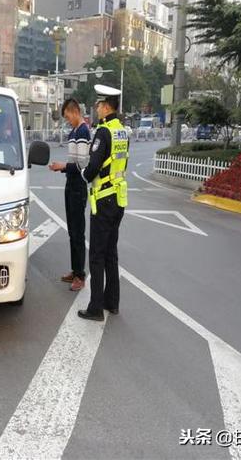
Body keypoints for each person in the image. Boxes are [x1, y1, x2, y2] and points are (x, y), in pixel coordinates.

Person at [77, 85, 129, 322]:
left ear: (106, 106)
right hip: (118, 198)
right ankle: (112, 302)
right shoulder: (122, 132)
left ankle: (96, 307)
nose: (96, 108)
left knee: (97, 254)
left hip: (103, 198)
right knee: (111, 253)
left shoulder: (104, 132)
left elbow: (94, 166)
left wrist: (83, 174)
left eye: (98, 105)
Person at [48, 98, 91, 292]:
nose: (67, 120)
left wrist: (63, 166)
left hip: (78, 187)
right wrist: (63, 168)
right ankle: (75, 270)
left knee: (78, 233)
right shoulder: (74, 132)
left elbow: (83, 164)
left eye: (67, 116)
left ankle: (80, 276)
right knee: (72, 231)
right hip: (70, 184)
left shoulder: (82, 131)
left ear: (75, 112)